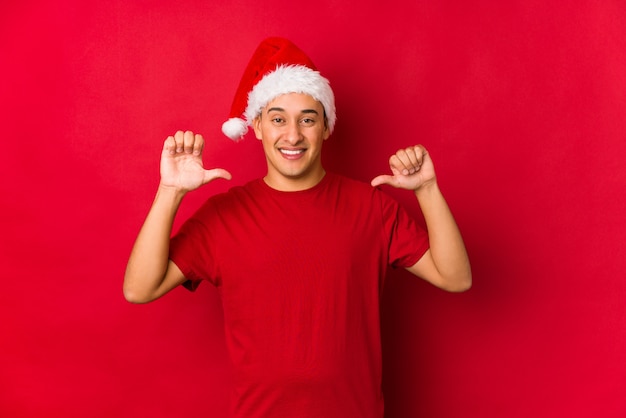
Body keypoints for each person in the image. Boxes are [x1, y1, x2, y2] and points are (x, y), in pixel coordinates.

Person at [124, 37, 471, 418]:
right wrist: (170, 192)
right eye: (277, 119)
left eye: (308, 119)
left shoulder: (371, 207)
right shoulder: (224, 215)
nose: (293, 135)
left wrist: (427, 189)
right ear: (256, 126)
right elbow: (140, 289)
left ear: (326, 127)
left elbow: (456, 278)